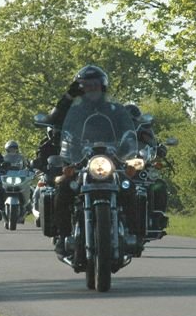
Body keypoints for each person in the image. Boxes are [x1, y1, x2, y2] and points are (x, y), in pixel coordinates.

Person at [46, 65, 136, 259]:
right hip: (80, 159)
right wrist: (68, 96)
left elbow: (128, 129)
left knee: (131, 188)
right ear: (79, 88)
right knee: (62, 189)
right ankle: (63, 236)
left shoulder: (115, 110)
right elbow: (54, 119)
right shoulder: (74, 110)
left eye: (95, 84)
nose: (91, 88)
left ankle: (133, 234)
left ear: (102, 86)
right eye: (86, 85)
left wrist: (129, 143)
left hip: (111, 159)